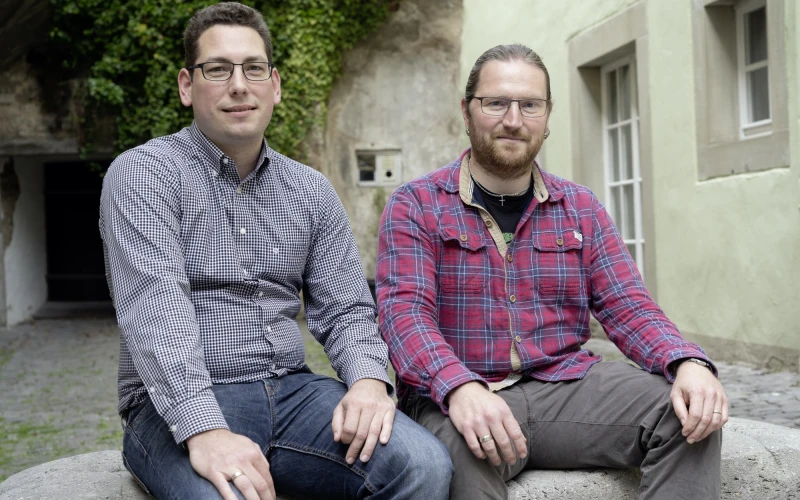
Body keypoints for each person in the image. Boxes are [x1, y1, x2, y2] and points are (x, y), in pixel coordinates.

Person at [99, 3, 452, 499]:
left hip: (293, 393)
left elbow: (347, 308)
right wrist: (205, 430)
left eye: (253, 69)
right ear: (186, 85)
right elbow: (156, 310)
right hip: (174, 406)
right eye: (217, 69)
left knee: (422, 465)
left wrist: (370, 380)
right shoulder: (144, 175)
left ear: (275, 84)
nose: (238, 85)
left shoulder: (310, 190)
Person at [376, 43, 728, 500]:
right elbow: (404, 317)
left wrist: (688, 362)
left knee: (686, 413)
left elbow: (628, 304)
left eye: (530, 105)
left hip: (564, 387)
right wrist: (459, 388)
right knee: (459, 455)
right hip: (460, 397)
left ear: (547, 115)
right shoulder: (416, 204)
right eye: (496, 102)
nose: (513, 119)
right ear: (467, 111)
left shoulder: (579, 206)